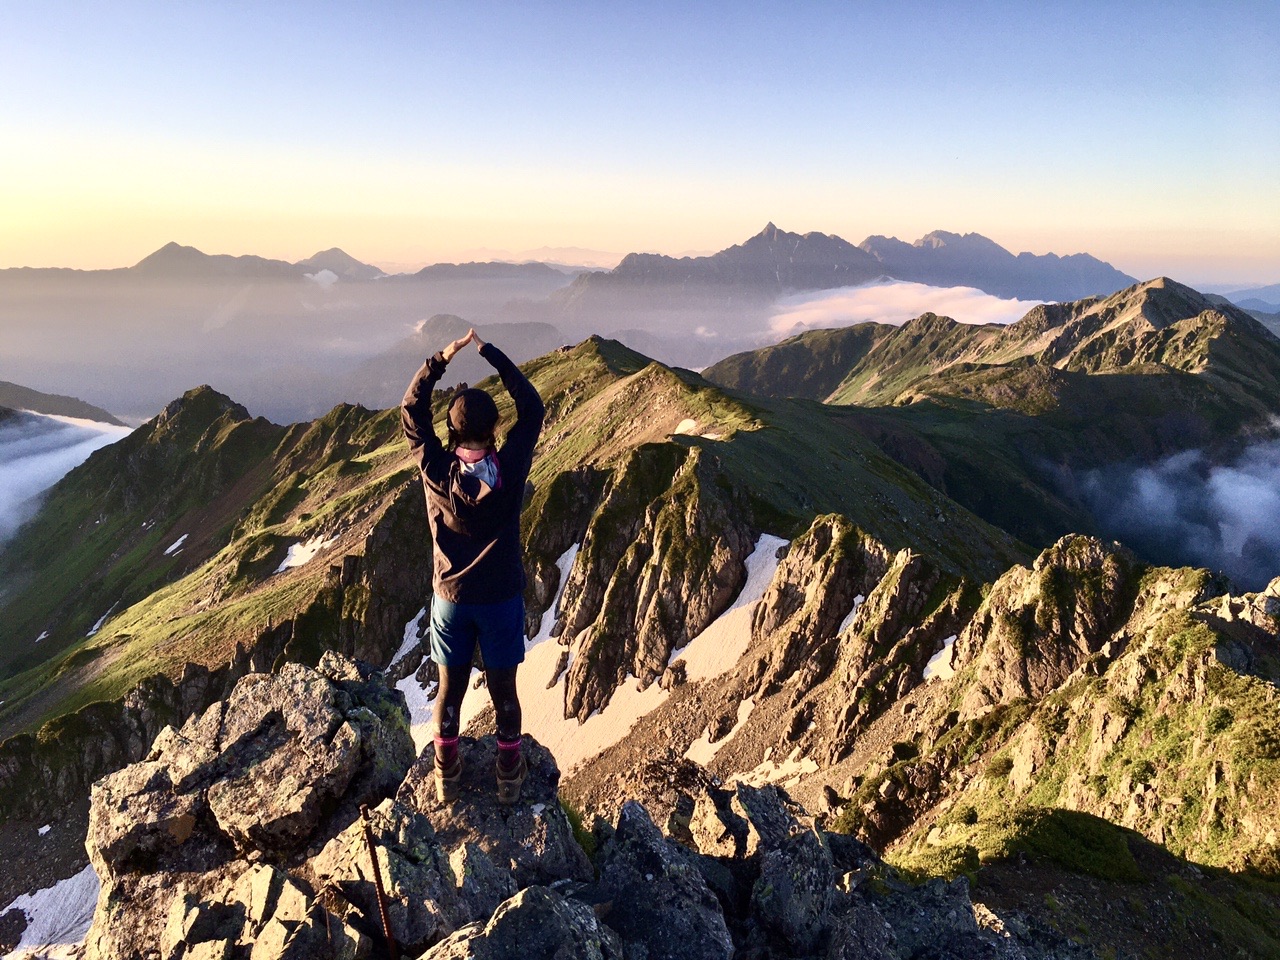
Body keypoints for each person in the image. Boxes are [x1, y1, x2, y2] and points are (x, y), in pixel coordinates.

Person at [400, 328, 545, 803]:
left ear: (452, 430)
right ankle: (508, 771)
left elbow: (411, 410)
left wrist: (443, 357)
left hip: (451, 599)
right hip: (501, 597)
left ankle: (447, 769)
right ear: (494, 429)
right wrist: (491, 353)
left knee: (450, 689)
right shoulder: (512, 465)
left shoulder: (435, 468)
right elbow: (534, 408)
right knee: (505, 690)